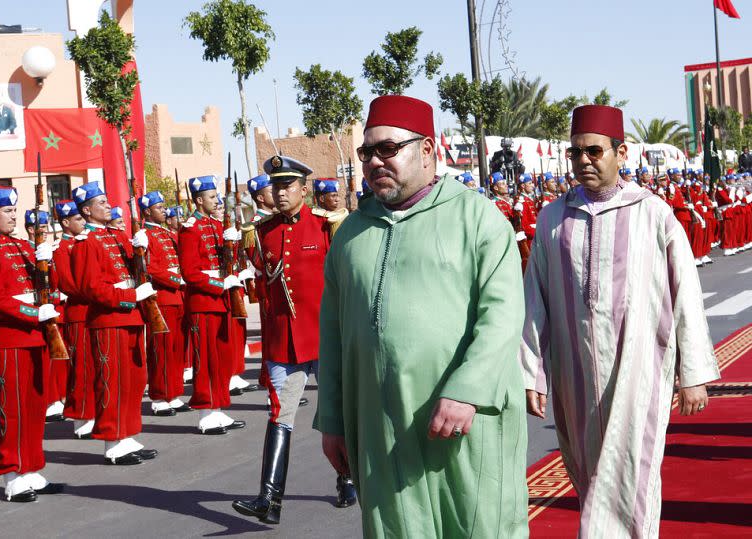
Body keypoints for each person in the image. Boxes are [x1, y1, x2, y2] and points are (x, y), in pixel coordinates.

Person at [317, 95, 529, 537]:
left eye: (387, 149)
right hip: (379, 430)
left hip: (464, 425)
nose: (374, 161)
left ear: (428, 150)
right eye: (367, 152)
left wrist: (467, 390)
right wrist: (334, 421)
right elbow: (333, 337)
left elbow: (503, 316)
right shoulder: (349, 236)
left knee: (477, 526)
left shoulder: (477, 219)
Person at [519, 105, 720, 537]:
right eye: (575, 154)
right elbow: (534, 300)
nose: (583, 161)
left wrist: (694, 372)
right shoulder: (553, 219)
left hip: (638, 372)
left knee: (633, 477)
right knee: (590, 478)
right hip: (574, 379)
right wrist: (532, 373)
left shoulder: (654, 214)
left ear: (621, 152)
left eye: (594, 151)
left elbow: (686, 293)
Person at [232, 156, 353, 525]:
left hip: (325, 337)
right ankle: (269, 499)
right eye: (276, 186)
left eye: (288, 186)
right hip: (285, 343)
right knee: (280, 417)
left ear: (304, 189)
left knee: (340, 413)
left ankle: (347, 476)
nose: (280, 193)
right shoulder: (263, 231)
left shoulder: (327, 226)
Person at [0, 185, 63, 502]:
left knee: (35, 408)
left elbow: (47, 287)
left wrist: (49, 263)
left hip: (35, 336)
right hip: (8, 339)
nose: (12, 216)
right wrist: (34, 313)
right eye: (6, 211)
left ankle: (31, 467)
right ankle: (12, 475)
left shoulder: (23, 246)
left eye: (13, 211)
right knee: (12, 409)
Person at [70, 181, 159, 465]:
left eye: (108, 201)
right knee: (112, 379)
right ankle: (112, 440)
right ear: (86, 211)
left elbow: (137, 267)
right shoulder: (86, 241)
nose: (109, 206)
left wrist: (143, 250)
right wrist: (130, 296)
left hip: (132, 315)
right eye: (102, 203)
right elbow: (92, 288)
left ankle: (127, 432)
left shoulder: (118, 236)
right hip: (109, 319)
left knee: (134, 380)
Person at [177, 175, 246, 435]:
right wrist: (219, 284)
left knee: (221, 358)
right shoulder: (190, 228)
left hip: (222, 301)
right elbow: (190, 272)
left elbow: (228, 259)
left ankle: (218, 408)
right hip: (204, 302)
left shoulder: (217, 225)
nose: (217, 200)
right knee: (205, 358)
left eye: (216, 196)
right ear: (198, 200)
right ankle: (206, 413)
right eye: (212, 197)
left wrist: (233, 241)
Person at [138, 191, 190, 416]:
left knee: (177, 348)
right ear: (148, 211)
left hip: (177, 297)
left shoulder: (167, 233)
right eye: (159, 207)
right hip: (163, 298)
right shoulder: (145, 235)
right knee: (161, 348)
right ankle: (159, 396)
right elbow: (151, 268)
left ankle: (174, 392)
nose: (164, 210)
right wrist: (177, 279)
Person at [51, 200, 94, 440]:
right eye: (78, 219)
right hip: (76, 314)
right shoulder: (61, 248)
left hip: (92, 311)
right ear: (66, 223)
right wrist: (96, 290)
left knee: (95, 366)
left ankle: (93, 413)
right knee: (81, 367)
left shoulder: (85, 242)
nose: (84, 222)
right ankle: (81, 417)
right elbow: (68, 284)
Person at [24, 209, 68, 423]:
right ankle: (50, 400)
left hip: (52, 308)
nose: (45, 232)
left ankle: (57, 397)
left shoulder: (47, 252)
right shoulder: (25, 251)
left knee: (57, 360)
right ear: (31, 230)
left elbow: (57, 281)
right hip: (37, 311)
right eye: (42, 228)